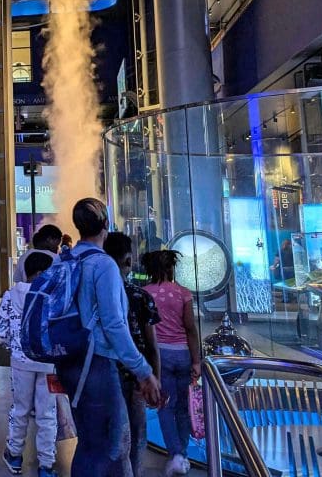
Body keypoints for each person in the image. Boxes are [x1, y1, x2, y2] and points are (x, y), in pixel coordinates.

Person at [59, 198, 160, 477]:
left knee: (91, 442)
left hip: (70, 361)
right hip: (97, 364)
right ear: (106, 223)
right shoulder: (103, 265)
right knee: (114, 446)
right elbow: (114, 325)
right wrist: (143, 371)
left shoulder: (69, 258)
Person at [0, 251, 58, 477]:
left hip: (21, 361)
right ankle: (46, 466)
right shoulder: (52, 295)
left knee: (20, 409)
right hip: (49, 363)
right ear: (41, 273)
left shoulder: (11, 295)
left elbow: (0, 331)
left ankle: (14, 455)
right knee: (47, 413)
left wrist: (13, 347)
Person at [105, 232, 161, 477]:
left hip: (106, 375)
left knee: (110, 432)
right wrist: (153, 377)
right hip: (138, 378)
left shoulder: (99, 294)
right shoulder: (140, 296)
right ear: (128, 260)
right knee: (137, 434)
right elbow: (152, 345)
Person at [142, 250, 200, 476]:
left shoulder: (145, 293)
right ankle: (182, 454)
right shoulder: (183, 294)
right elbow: (191, 329)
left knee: (165, 405)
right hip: (183, 353)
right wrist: (196, 360)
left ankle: (175, 453)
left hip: (160, 355)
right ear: (170, 268)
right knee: (183, 407)